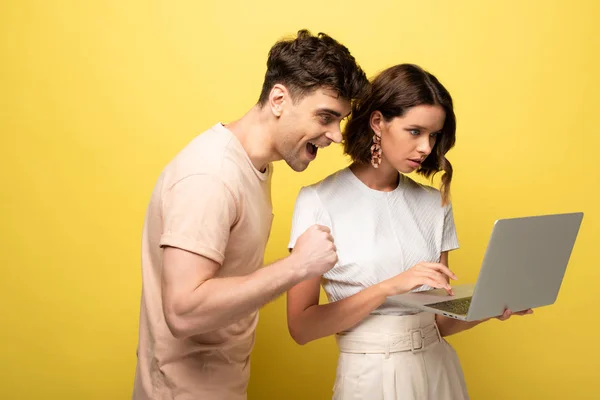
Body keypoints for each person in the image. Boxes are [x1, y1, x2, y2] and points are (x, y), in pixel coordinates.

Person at [132, 29, 369, 400]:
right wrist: (297, 267)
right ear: (279, 99)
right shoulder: (210, 175)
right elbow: (182, 311)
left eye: (339, 120)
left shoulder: (254, 166)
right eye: (325, 117)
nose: (336, 136)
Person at [286, 63, 532, 400]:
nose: (426, 148)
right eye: (415, 131)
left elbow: (440, 323)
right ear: (378, 122)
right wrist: (389, 287)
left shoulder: (436, 204)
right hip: (370, 375)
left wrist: (493, 306)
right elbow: (301, 327)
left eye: (434, 135)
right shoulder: (317, 201)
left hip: (438, 371)